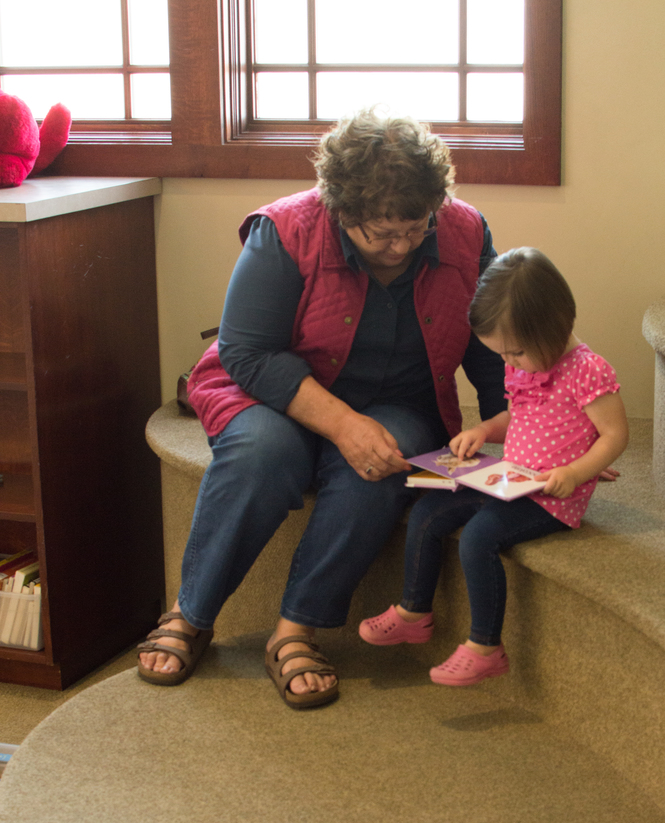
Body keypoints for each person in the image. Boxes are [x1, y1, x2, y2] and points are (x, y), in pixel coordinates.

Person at [137, 109, 507, 707]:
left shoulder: (466, 230)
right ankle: (192, 611)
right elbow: (247, 352)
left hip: (400, 399)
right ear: (340, 210)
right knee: (262, 452)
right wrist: (340, 423)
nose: (401, 247)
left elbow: (493, 343)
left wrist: (515, 423)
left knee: (381, 464)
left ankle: (296, 628)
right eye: (381, 234)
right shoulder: (285, 229)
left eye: (415, 230)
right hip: (271, 389)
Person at [358, 247, 629, 686]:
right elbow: (520, 417)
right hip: (512, 476)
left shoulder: (588, 371)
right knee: (428, 510)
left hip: (552, 497)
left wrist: (577, 472)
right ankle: (414, 611)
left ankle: (485, 646)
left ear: (555, 327)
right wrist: (483, 431)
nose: (509, 363)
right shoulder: (522, 365)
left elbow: (615, 435)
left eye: (516, 352)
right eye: (501, 354)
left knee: (480, 536)